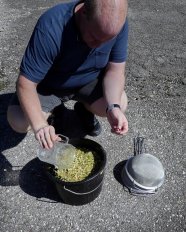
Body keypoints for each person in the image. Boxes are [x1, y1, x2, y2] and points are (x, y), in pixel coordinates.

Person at [7, 0, 129, 149]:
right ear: (83, 11)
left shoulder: (115, 25)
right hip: (50, 85)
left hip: (88, 81)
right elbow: (25, 83)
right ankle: (55, 111)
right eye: (94, 37)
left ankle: (84, 110)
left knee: (120, 103)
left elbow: (115, 71)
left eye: (107, 40)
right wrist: (40, 126)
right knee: (19, 121)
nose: (99, 45)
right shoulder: (51, 26)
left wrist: (113, 107)